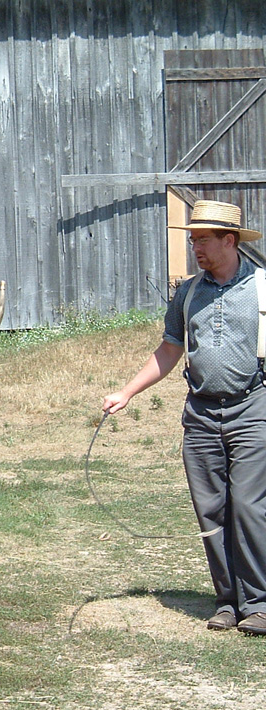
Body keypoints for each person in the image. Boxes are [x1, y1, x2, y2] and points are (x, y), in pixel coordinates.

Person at [102, 199, 266, 635]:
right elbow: (170, 350)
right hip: (200, 414)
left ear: (230, 241)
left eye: (204, 240)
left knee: (249, 507)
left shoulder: (262, 288)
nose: (196, 248)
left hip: (254, 409)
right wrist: (127, 392)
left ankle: (260, 602)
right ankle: (228, 601)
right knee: (210, 509)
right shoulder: (187, 293)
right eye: (193, 240)